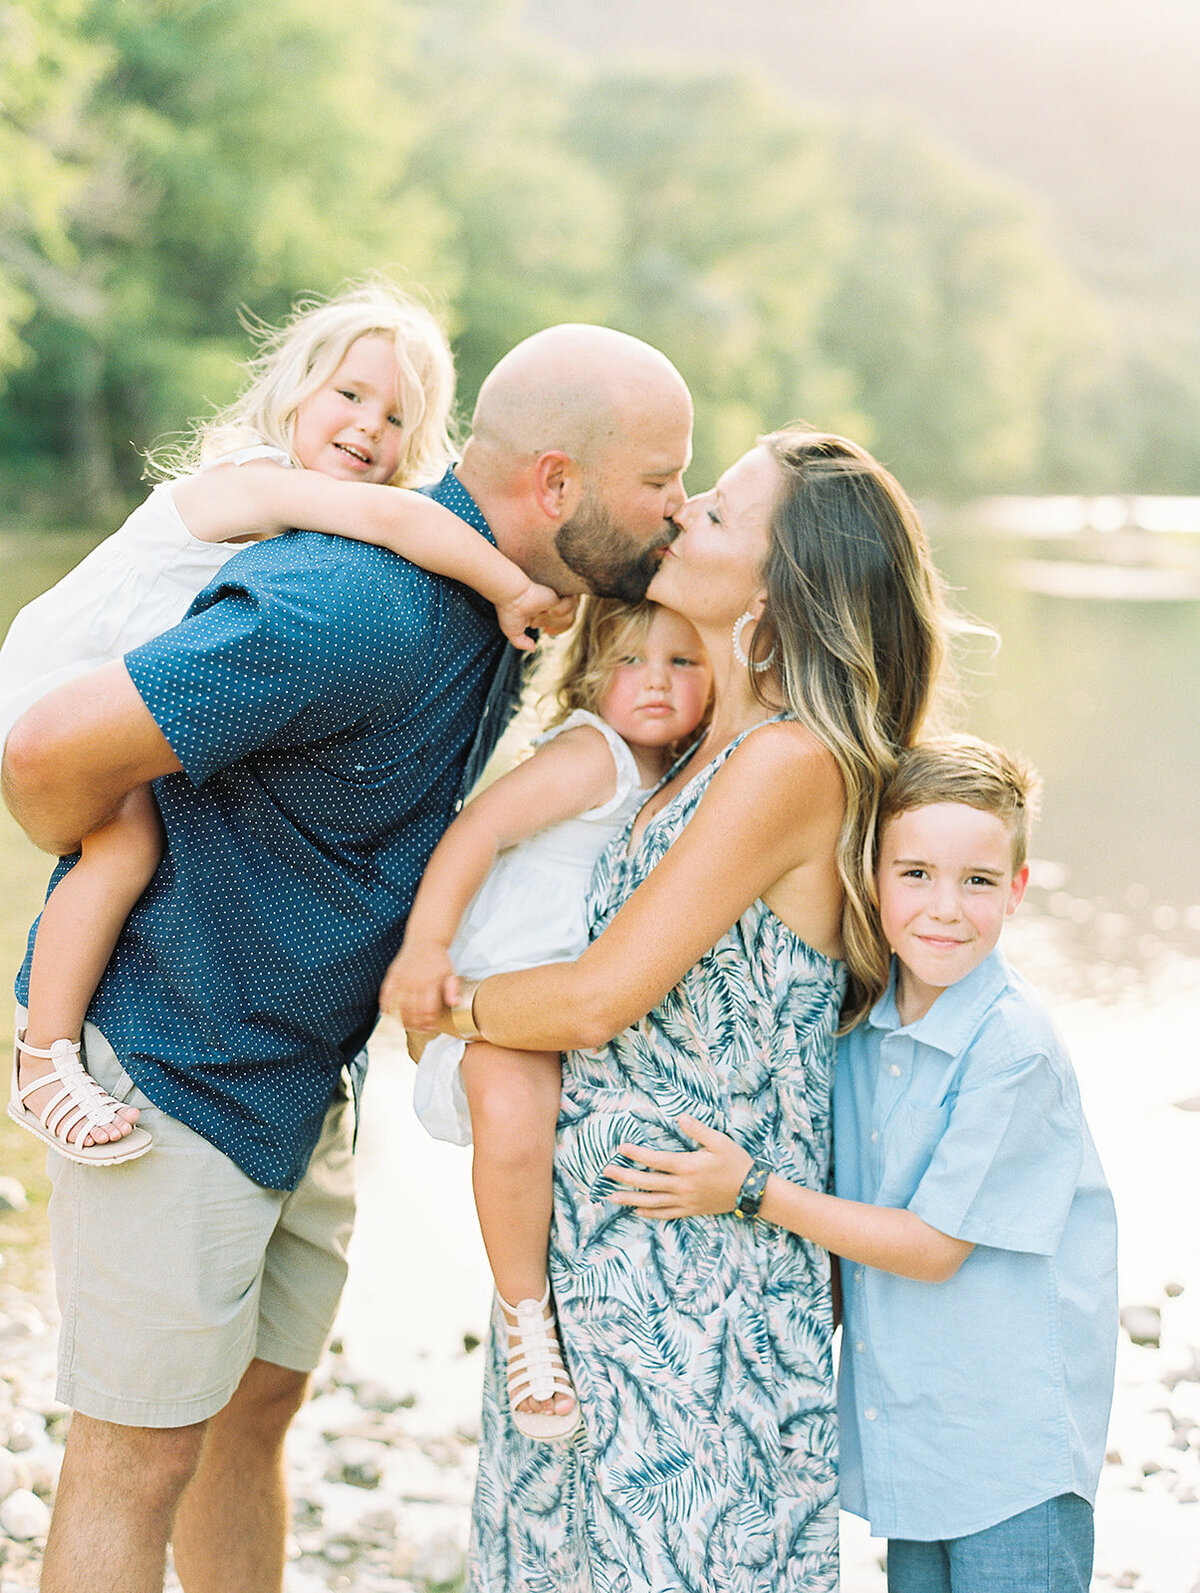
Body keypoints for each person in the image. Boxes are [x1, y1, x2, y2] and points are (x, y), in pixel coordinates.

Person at [1, 315, 693, 1593]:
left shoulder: (498, 605)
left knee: (253, 1419)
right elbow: (43, 750)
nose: (679, 511)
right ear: (558, 487)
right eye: (661, 484)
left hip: (297, 1082)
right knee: (134, 1459)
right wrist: (86, 860)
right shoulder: (349, 605)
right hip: (172, 1068)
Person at [392, 428, 949, 1592]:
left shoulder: (793, 763)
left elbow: (598, 1000)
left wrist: (453, 1008)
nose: (686, 509)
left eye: (722, 512)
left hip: (707, 1296)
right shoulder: (697, 747)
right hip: (597, 1266)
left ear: (776, 593)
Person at [3, 279, 570, 1162]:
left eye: (396, 419)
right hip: (63, 679)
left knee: (129, 838)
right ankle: (41, 1055)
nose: (369, 428)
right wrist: (510, 587)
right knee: (124, 846)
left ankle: (47, 1041)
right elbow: (391, 517)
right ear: (297, 388)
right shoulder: (253, 482)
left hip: (111, 685)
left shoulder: (301, 520)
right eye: (350, 394)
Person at [610, 734, 1118, 1593]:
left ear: (1018, 890)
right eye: (914, 873)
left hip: (1013, 1453)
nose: (945, 908)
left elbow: (931, 1246)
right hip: (914, 1444)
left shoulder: (1011, 1049)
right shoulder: (856, 1023)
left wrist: (751, 1191)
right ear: (870, 874)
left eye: (979, 881)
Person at [384, 598, 712, 1440]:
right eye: (633, 662)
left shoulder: (677, 771)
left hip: (563, 995)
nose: (657, 683)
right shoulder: (593, 754)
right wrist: (427, 948)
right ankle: (526, 1315)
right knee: (516, 1120)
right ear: (593, 672)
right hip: (503, 980)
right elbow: (478, 828)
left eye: (684, 662)